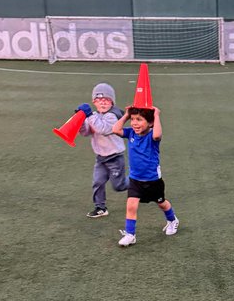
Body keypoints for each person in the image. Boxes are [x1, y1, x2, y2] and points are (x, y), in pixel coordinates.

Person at [112, 105, 179, 247]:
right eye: (133, 119)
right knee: (131, 205)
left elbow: (157, 135)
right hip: (135, 180)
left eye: (139, 120)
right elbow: (115, 130)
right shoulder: (131, 133)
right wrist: (126, 115)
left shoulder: (152, 136)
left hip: (153, 180)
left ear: (150, 123)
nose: (135, 123)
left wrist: (157, 116)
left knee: (162, 203)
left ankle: (172, 220)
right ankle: (130, 235)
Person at [76, 82, 127, 218]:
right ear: (94, 102)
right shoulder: (93, 115)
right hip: (100, 157)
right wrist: (81, 120)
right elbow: (86, 132)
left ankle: (138, 182)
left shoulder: (113, 115)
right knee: (97, 182)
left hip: (115, 157)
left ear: (112, 102)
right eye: (99, 100)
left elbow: (103, 129)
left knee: (119, 186)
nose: (103, 103)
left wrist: (89, 116)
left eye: (106, 100)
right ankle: (100, 207)